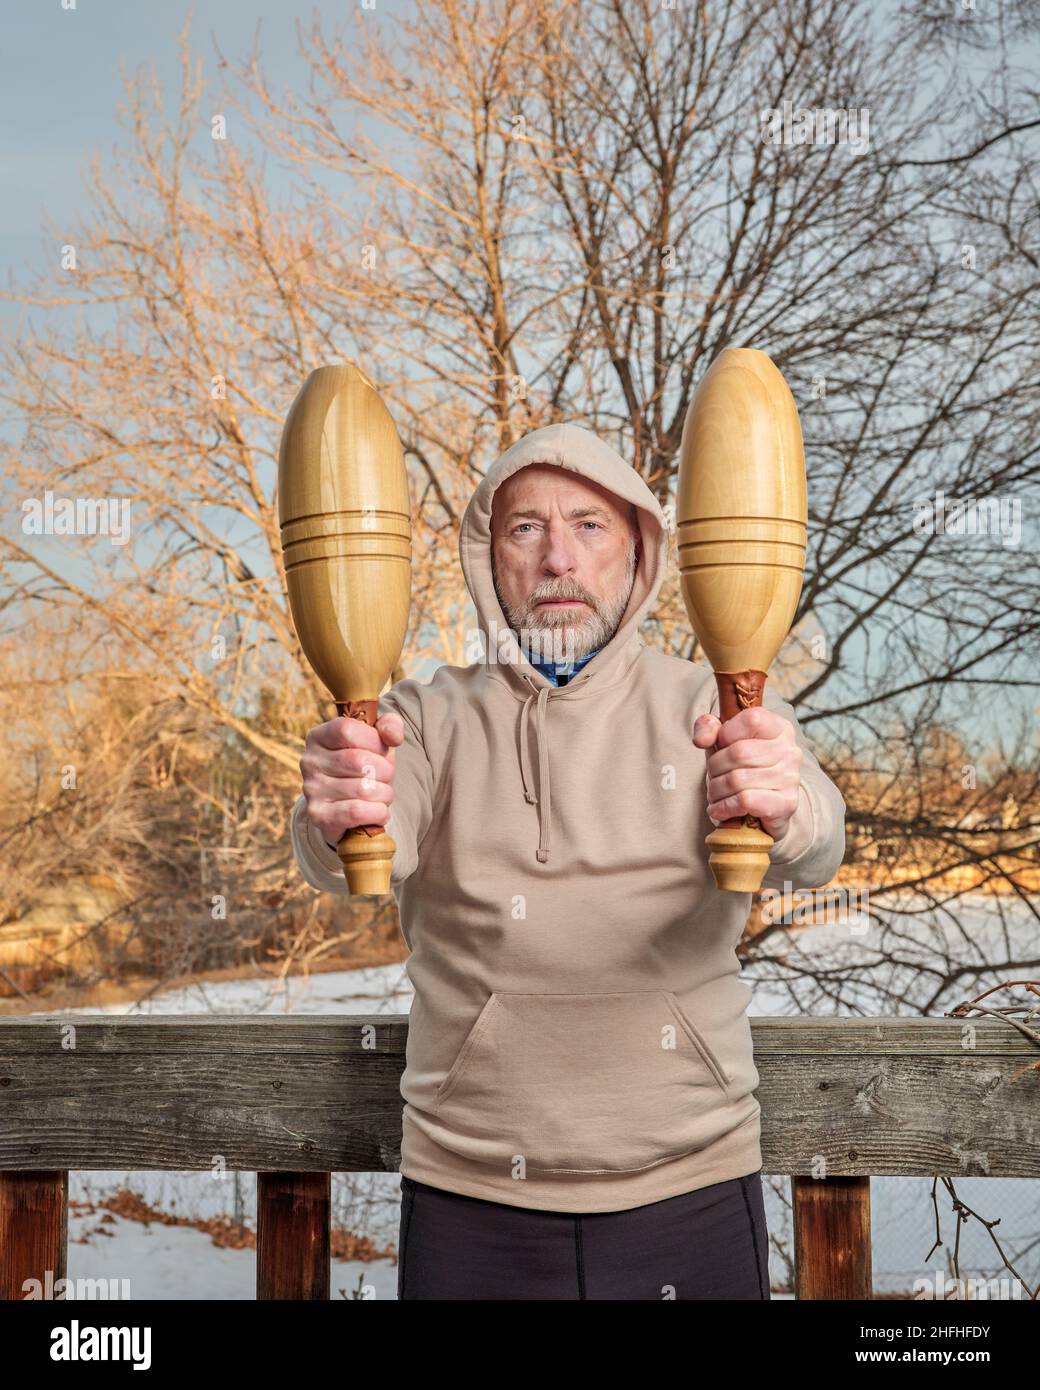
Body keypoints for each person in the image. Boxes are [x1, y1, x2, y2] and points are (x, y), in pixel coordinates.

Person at [290, 422, 846, 1300]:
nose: (558, 557)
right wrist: (336, 812)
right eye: (525, 529)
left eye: (589, 525)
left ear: (637, 551)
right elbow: (356, 838)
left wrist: (789, 807)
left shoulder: (715, 706)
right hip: (469, 1195)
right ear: (489, 556)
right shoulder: (425, 717)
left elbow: (819, 843)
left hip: (691, 1182)